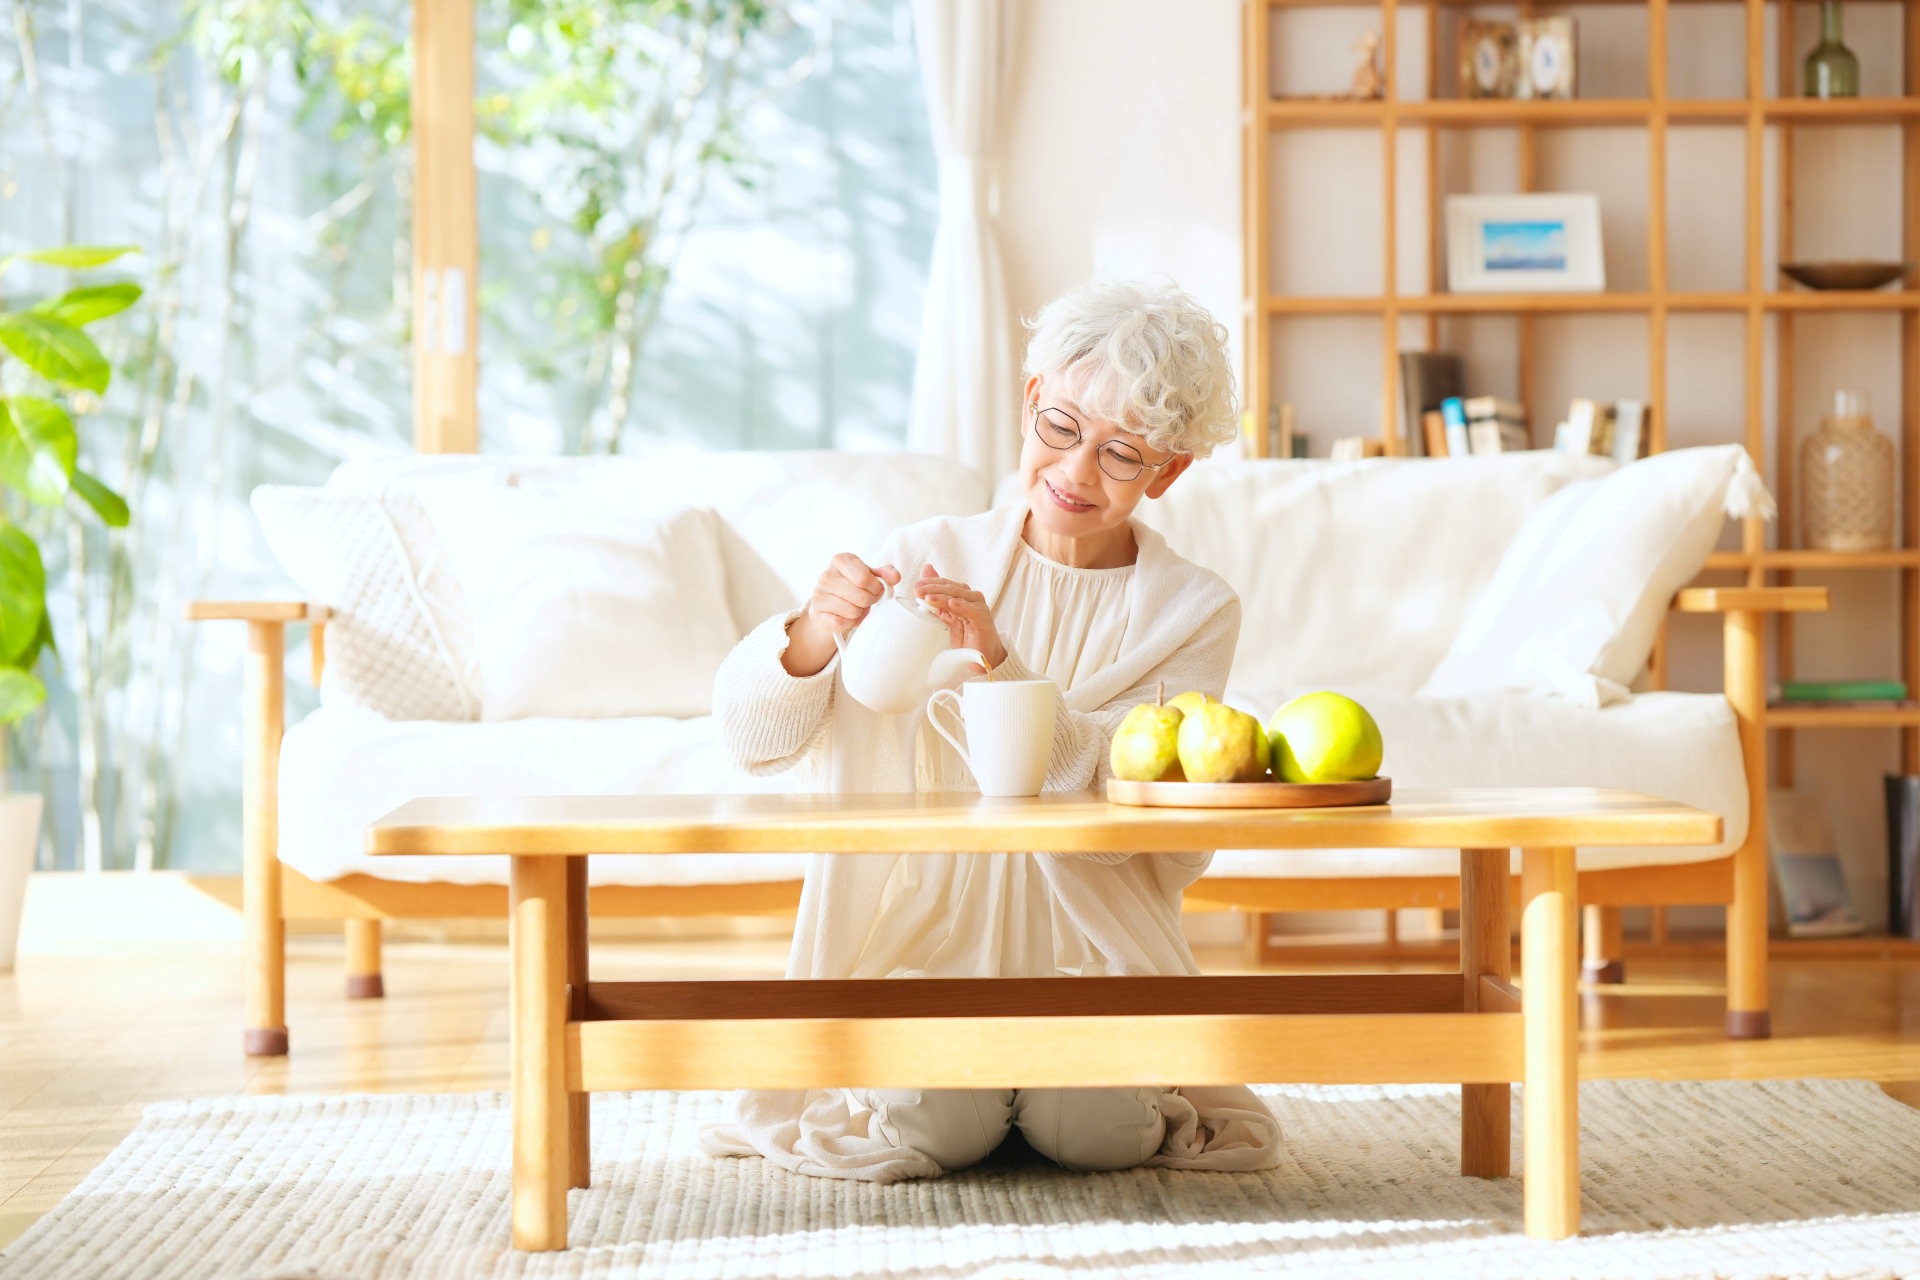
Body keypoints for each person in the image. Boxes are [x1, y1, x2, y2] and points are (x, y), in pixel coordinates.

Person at [699, 278, 1282, 1181]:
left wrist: (999, 662)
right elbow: (751, 739)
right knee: (937, 1133)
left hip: (1099, 956)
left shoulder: (1193, 610)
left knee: (1094, 1137)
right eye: (1062, 427)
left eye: (1123, 453)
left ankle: (1063, 1092)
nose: (1076, 471)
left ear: (1168, 471)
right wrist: (813, 632)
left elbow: (1119, 811)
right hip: (924, 949)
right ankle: (951, 1084)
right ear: (1029, 404)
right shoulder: (929, 554)